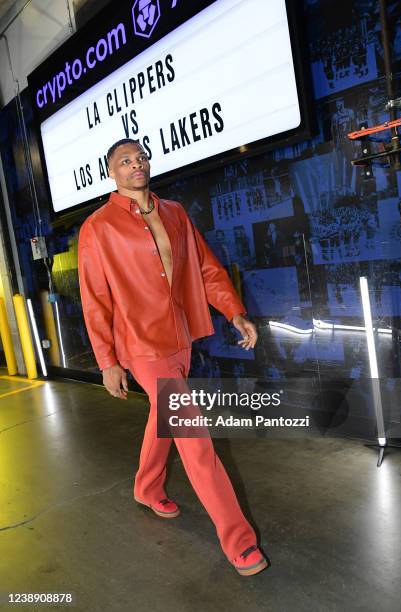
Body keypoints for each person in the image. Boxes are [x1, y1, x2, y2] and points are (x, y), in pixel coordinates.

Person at [78, 138, 268, 576]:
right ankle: (239, 542)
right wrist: (107, 359)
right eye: (124, 161)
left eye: (140, 157)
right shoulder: (98, 227)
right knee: (195, 439)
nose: (135, 165)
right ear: (112, 173)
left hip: (180, 338)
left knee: (161, 418)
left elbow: (206, 268)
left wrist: (235, 312)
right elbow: (95, 298)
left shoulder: (175, 213)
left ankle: (146, 487)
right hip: (141, 345)